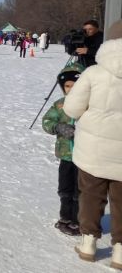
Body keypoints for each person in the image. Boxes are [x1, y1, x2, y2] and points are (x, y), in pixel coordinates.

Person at [64, 20, 122, 266]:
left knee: (90, 196)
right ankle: (120, 251)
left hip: (94, 149)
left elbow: (72, 108)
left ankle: (88, 243)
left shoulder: (93, 73)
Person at [42, 62, 85, 236]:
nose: (71, 89)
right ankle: (65, 217)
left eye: (75, 85)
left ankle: (78, 220)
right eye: (67, 86)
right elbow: (47, 121)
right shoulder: (60, 105)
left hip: (84, 157)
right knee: (65, 188)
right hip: (66, 155)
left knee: (80, 190)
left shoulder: (89, 105)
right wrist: (59, 127)